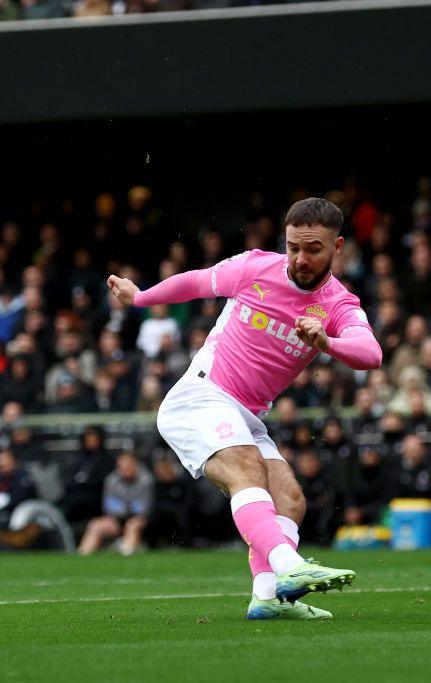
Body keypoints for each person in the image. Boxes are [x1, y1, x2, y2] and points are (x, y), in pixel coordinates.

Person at [106, 197, 383, 620]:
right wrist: (142, 298)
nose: (300, 258)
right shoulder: (256, 266)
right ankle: (290, 567)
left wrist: (327, 342)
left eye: (313, 249)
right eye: (293, 246)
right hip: (201, 397)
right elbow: (197, 282)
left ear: (338, 247)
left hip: (247, 416)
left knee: (289, 499)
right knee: (248, 470)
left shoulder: (338, 304)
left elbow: (370, 353)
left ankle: (268, 597)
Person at [78, 452, 154, 556]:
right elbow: (108, 507)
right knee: (95, 525)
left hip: (140, 520)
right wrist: (127, 508)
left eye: (129, 465)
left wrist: (124, 508)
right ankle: (82, 557)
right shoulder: (111, 480)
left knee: (132, 525)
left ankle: (126, 557)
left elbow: (144, 509)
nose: (126, 468)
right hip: (116, 519)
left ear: (135, 464)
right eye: (122, 466)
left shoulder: (146, 480)